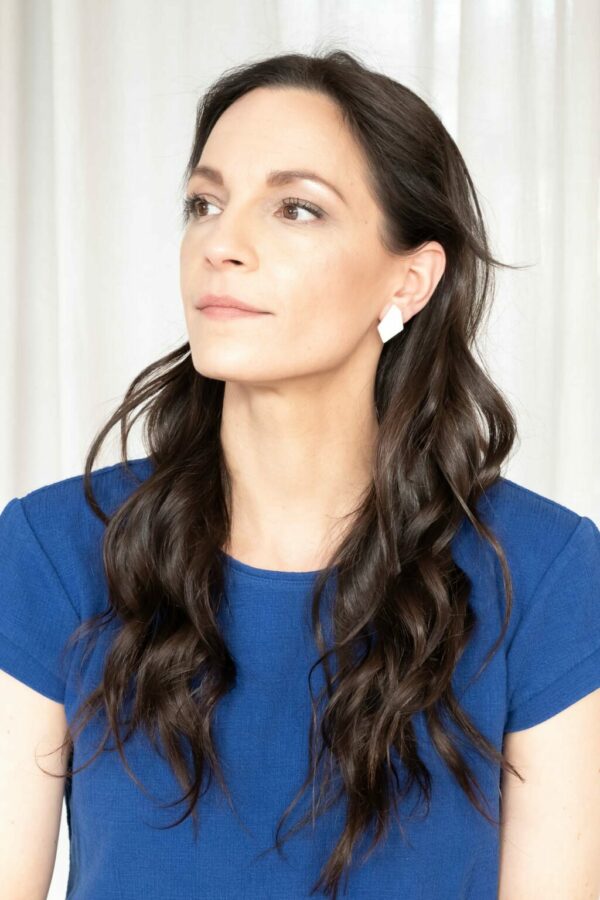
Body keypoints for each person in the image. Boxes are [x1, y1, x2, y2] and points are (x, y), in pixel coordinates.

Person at [1, 48, 599, 900]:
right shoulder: (53, 548)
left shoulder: (542, 571)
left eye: (296, 209)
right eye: (204, 204)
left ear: (410, 280)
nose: (222, 244)